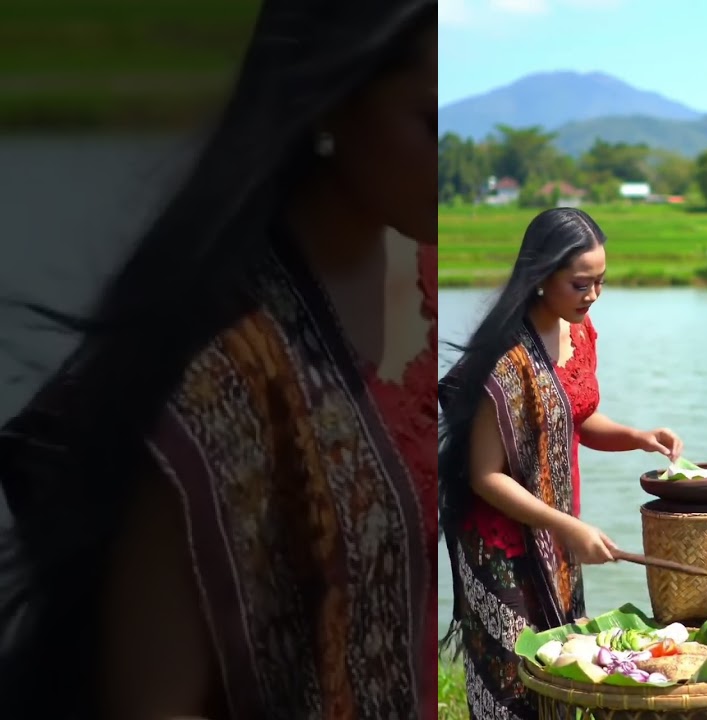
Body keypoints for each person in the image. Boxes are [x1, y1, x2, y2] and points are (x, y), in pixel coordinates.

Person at [0, 1, 436, 718]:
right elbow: (155, 703)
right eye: (431, 125)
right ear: (332, 98)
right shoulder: (213, 373)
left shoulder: (424, 265)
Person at [438, 207, 686, 718]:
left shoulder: (579, 331)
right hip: (499, 542)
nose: (592, 295)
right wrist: (568, 527)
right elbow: (485, 476)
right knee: (512, 679)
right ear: (540, 277)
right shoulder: (505, 359)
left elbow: (578, 417)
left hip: (553, 527)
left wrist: (638, 436)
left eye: (600, 282)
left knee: (562, 667)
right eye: (580, 284)